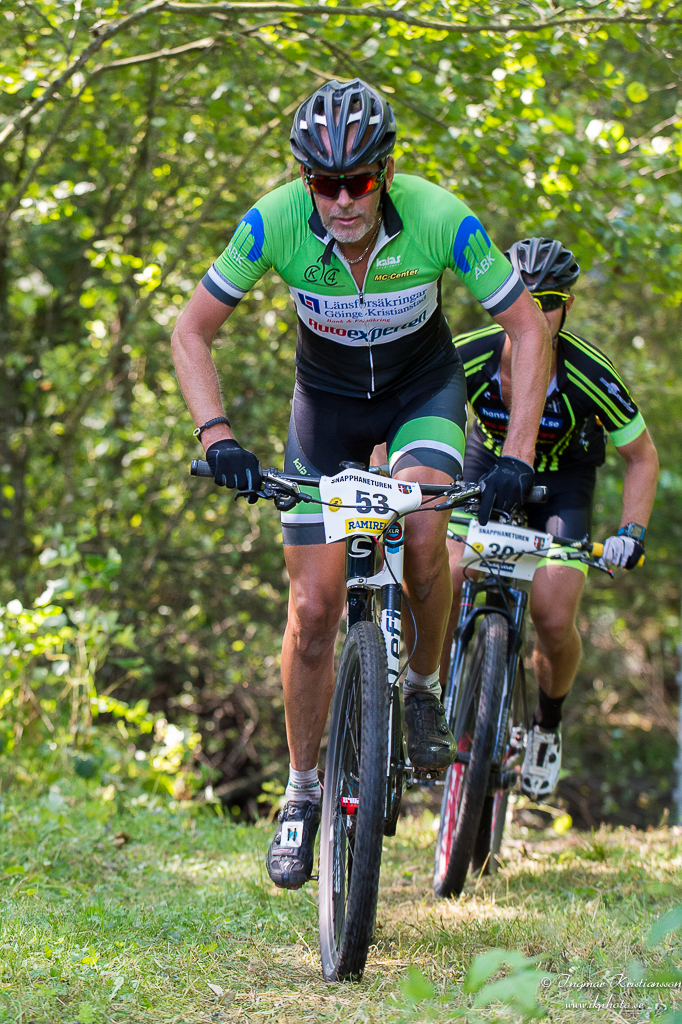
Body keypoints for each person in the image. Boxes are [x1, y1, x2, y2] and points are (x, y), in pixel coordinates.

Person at [171, 79, 551, 890]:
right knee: (312, 611)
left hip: (422, 394)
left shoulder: (441, 216)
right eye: (326, 183)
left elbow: (526, 328)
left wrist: (517, 454)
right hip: (326, 408)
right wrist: (218, 435)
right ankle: (302, 790)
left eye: (360, 181)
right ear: (305, 180)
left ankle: (421, 687)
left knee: (425, 535)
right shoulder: (273, 222)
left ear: (387, 174)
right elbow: (190, 332)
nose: (343, 200)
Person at [442, 236, 658, 801]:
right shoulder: (468, 352)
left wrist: (631, 531)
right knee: (442, 574)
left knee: (553, 616)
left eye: (551, 302)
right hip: (488, 465)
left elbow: (642, 456)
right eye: (524, 298)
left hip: (563, 482)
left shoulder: (588, 372)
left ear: (568, 306)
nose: (536, 313)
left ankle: (545, 725)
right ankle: (429, 702)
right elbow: (408, 410)